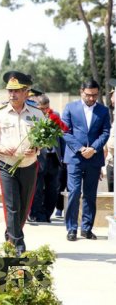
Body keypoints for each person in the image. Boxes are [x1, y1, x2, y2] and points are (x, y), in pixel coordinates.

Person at [0, 70, 44, 256]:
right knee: (12, 205)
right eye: (10, 90)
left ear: (26, 92)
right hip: (5, 164)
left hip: (29, 165)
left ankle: (11, 233)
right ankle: (18, 243)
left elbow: (42, 139)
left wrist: (36, 149)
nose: (12, 94)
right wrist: (1, 148)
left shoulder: (36, 114)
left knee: (24, 206)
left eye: (17, 91)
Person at [62, 78, 111, 241]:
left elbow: (105, 132)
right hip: (75, 157)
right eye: (89, 95)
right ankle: (71, 229)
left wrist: (93, 148)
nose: (91, 98)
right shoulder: (70, 108)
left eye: (95, 95)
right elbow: (65, 132)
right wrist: (81, 148)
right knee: (74, 192)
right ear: (81, 92)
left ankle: (87, 228)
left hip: (94, 158)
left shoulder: (103, 111)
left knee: (90, 195)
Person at [28, 94, 64, 223]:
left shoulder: (56, 116)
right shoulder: (32, 117)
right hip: (38, 157)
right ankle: (35, 214)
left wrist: (63, 158)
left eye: (46, 108)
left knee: (53, 188)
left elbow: (61, 137)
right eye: (42, 108)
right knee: (37, 188)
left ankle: (47, 214)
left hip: (54, 157)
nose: (44, 111)